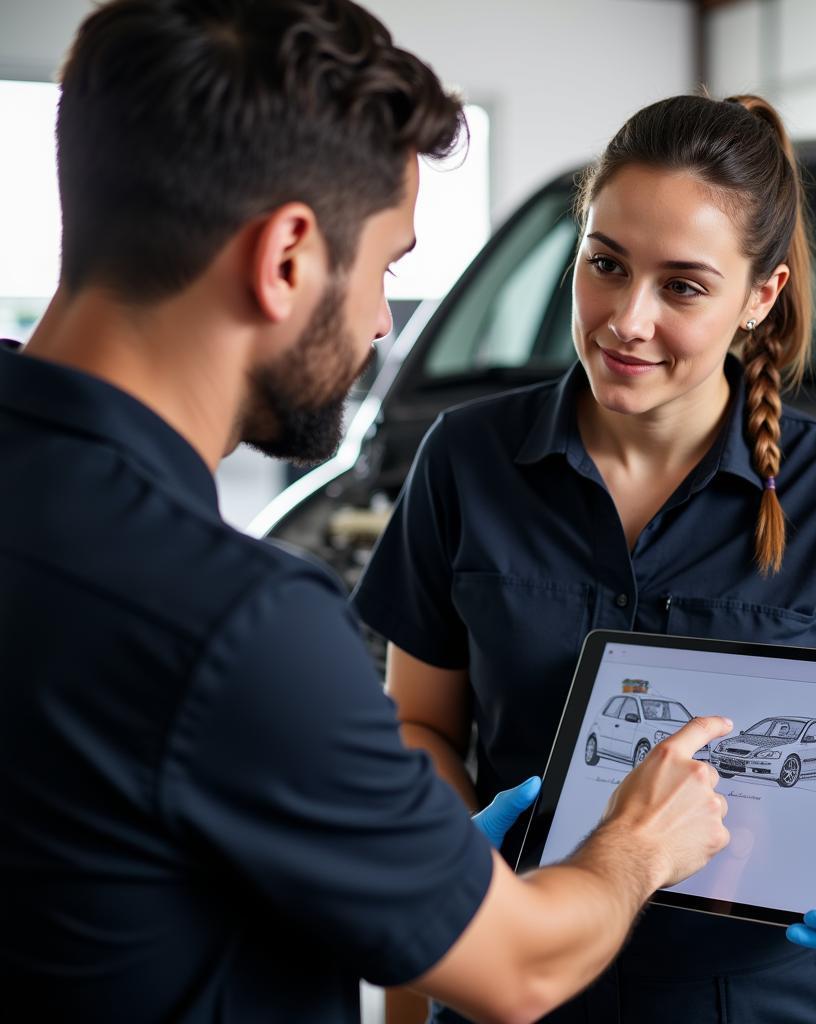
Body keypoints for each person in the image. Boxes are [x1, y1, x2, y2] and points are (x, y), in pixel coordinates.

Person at [0, 4, 735, 1022]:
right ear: (288, 256)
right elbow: (518, 969)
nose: (384, 321)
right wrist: (638, 841)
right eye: (387, 267)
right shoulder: (238, 624)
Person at [352, 93, 816, 1023]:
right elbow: (422, 727)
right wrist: (456, 861)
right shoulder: (465, 460)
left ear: (759, 297)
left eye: (682, 286)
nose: (626, 319)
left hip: (756, 996)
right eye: (605, 265)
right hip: (519, 968)